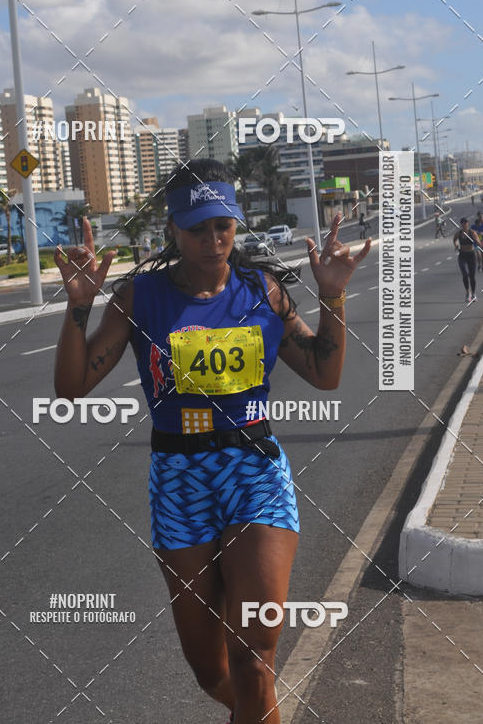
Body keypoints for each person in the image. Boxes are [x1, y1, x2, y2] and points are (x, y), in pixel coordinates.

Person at [53, 159, 371, 724]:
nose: (212, 238)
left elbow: (325, 374)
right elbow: (72, 387)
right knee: (212, 670)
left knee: (254, 659)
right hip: (178, 481)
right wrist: (79, 306)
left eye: (222, 224)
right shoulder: (139, 297)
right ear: (172, 229)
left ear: (235, 223)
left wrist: (333, 298)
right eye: (197, 227)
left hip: (254, 474)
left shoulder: (262, 292)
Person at [453, 217, 481, 302]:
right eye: (462, 223)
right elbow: (454, 240)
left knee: (472, 276)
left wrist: (476, 240)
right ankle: (467, 293)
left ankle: (473, 294)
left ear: (468, 224)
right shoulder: (459, 233)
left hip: (471, 255)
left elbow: (479, 243)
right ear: (461, 224)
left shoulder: (472, 232)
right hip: (462, 255)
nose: (464, 225)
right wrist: (456, 245)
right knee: (465, 274)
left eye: (465, 223)